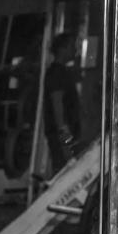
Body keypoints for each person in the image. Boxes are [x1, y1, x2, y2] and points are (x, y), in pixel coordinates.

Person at [43, 32, 82, 175]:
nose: (75, 50)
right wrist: (65, 137)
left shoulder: (62, 72)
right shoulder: (56, 73)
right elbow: (57, 103)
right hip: (62, 136)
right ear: (62, 49)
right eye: (72, 46)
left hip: (65, 135)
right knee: (66, 172)